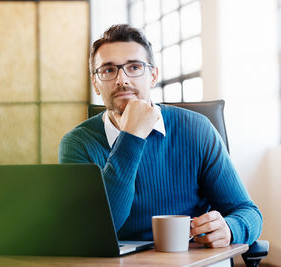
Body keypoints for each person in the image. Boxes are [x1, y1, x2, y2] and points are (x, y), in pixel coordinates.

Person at [59, 24, 262, 248]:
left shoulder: (197, 129)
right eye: (108, 70)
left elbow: (248, 212)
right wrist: (131, 136)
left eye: (134, 67)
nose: (122, 79)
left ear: (153, 75)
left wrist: (231, 228)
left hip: (187, 259)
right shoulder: (77, 143)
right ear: (96, 84)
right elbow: (95, 229)